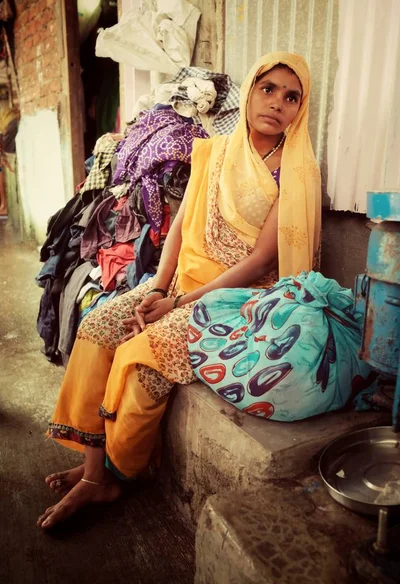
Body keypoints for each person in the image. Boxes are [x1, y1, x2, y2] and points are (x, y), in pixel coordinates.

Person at [37, 52, 321, 529]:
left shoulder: (297, 172)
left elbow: (260, 261)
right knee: (99, 324)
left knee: (144, 358)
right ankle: (93, 469)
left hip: (237, 298)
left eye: (291, 97)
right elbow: (180, 229)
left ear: (301, 109)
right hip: (179, 282)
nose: (277, 103)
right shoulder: (212, 151)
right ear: (249, 91)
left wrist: (179, 303)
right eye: (267, 88)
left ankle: (109, 473)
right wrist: (157, 287)